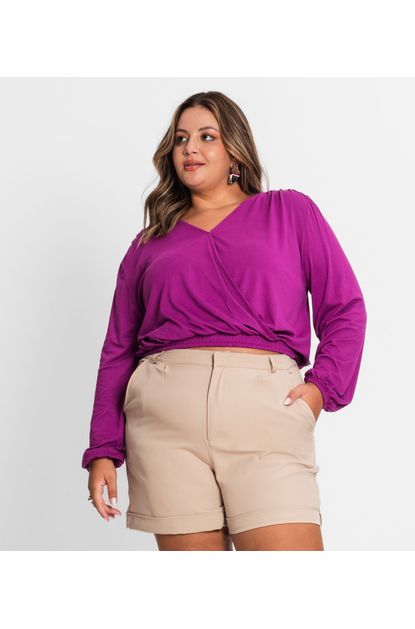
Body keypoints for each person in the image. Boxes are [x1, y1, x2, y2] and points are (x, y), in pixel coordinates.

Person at [81, 90, 367, 551]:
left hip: (265, 411)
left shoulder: (288, 212)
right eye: (180, 139)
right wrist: (103, 450)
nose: (189, 148)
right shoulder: (149, 243)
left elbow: (345, 307)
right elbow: (118, 348)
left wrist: (321, 389)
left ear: (234, 150)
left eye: (206, 136)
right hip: (165, 423)